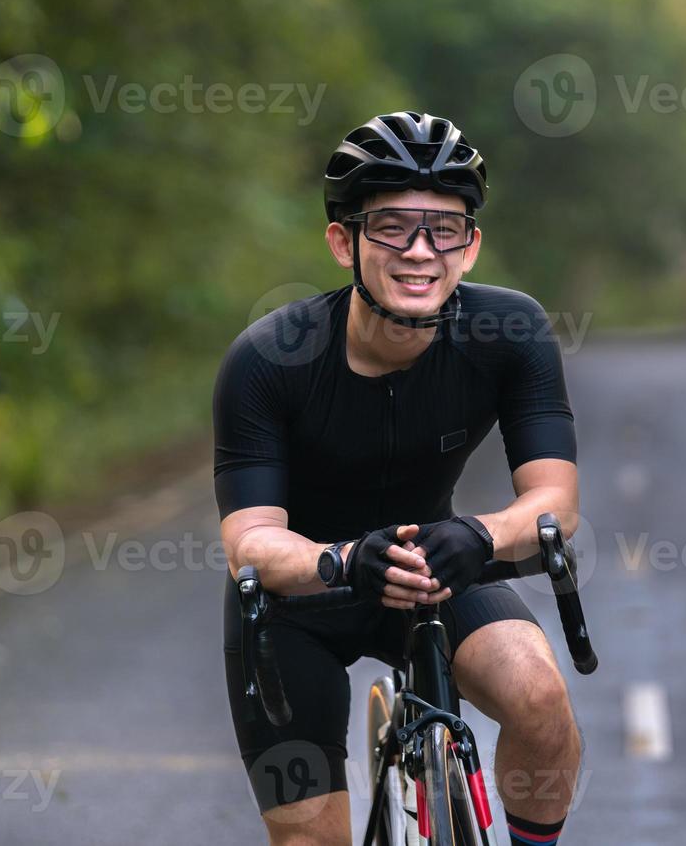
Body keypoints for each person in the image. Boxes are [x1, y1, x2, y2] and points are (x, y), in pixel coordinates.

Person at [215, 112, 582, 846]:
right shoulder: (266, 360)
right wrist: (345, 558)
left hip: (437, 567)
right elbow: (250, 544)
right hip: (300, 598)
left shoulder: (510, 333)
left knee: (541, 699)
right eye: (390, 226)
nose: (420, 252)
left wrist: (481, 536)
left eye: (444, 229)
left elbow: (555, 503)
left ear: (470, 246)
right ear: (342, 241)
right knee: (311, 839)